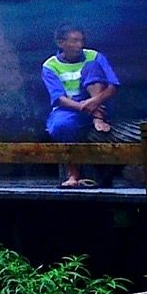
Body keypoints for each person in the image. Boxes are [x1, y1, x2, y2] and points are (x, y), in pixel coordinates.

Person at [40, 22, 120, 184]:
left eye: (81, 41)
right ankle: (73, 174)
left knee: (92, 67)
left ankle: (98, 117)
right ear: (61, 43)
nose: (80, 45)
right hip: (70, 108)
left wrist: (93, 103)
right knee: (60, 126)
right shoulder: (50, 66)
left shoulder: (94, 56)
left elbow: (113, 86)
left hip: (98, 103)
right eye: (74, 41)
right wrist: (83, 107)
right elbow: (59, 98)